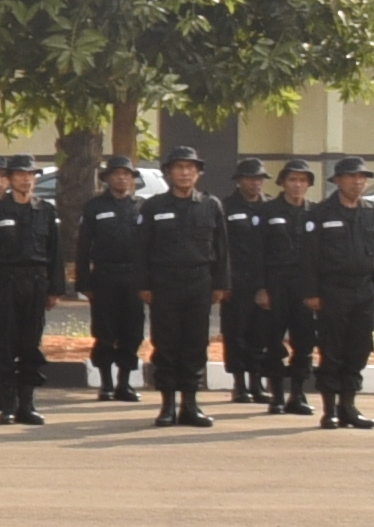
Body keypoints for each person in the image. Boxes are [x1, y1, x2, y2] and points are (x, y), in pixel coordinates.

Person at [292, 156, 374, 428]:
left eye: (362, 177)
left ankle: (349, 406)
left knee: (358, 349)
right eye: (351, 177)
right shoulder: (321, 213)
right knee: (332, 349)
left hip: (363, 290)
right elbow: (308, 257)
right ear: (337, 180)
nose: (358, 182)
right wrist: (311, 292)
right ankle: (330, 409)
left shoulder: (372, 211)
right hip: (332, 290)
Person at [138, 142, 229, 426]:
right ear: (168, 173)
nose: (185, 173)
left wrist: (220, 284)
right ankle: (167, 406)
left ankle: (190, 405)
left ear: (198, 173)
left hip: (199, 282)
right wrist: (144, 284)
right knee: (166, 343)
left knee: (194, 343)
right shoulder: (153, 207)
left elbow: (222, 249)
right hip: (165, 282)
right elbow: (141, 250)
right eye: (179, 167)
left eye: (191, 168)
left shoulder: (210, 205)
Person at [0, 154, 60, 425]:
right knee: (5, 344)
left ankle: (27, 403)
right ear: (10, 179)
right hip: (6, 283)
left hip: (35, 283)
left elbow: (55, 253)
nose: (26, 179)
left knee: (30, 344)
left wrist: (55, 289)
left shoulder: (45, 211)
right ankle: (7, 403)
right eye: (20, 174)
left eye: (31, 174)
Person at [68, 155, 144, 402]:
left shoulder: (142, 207)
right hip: (104, 276)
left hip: (134, 277)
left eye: (127, 174)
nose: (122, 177)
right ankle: (106, 384)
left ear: (132, 179)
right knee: (105, 331)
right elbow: (83, 248)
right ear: (108, 178)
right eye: (117, 173)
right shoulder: (95, 207)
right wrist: (84, 282)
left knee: (132, 332)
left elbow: (150, 248)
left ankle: (124, 383)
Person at [264, 161, 320, 412]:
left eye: (302, 180)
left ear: (309, 184)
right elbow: (258, 254)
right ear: (282, 183)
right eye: (292, 180)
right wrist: (261, 288)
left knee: (305, 343)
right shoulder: (268, 211)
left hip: (305, 288)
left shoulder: (316, 213)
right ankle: (276, 395)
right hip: (276, 286)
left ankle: (297, 394)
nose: (297, 185)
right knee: (273, 342)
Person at [221, 157, 277, 404]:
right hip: (236, 283)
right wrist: (224, 283)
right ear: (240, 181)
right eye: (250, 179)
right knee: (236, 334)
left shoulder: (271, 208)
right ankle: (239, 384)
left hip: (263, 283)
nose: (256, 183)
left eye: (259, 179)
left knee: (260, 335)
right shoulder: (226, 207)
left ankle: (257, 384)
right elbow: (221, 249)